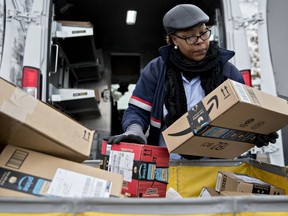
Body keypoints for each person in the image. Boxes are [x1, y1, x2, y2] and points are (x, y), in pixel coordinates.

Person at [106, 4, 278, 159]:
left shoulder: (228, 71)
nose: (201, 43)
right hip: (166, 162)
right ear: (174, 39)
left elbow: (243, 115)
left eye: (203, 33)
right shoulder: (157, 70)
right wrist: (135, 131)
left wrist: (256, 131)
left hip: (214, 164)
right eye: (190, 38)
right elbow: (137, 110)